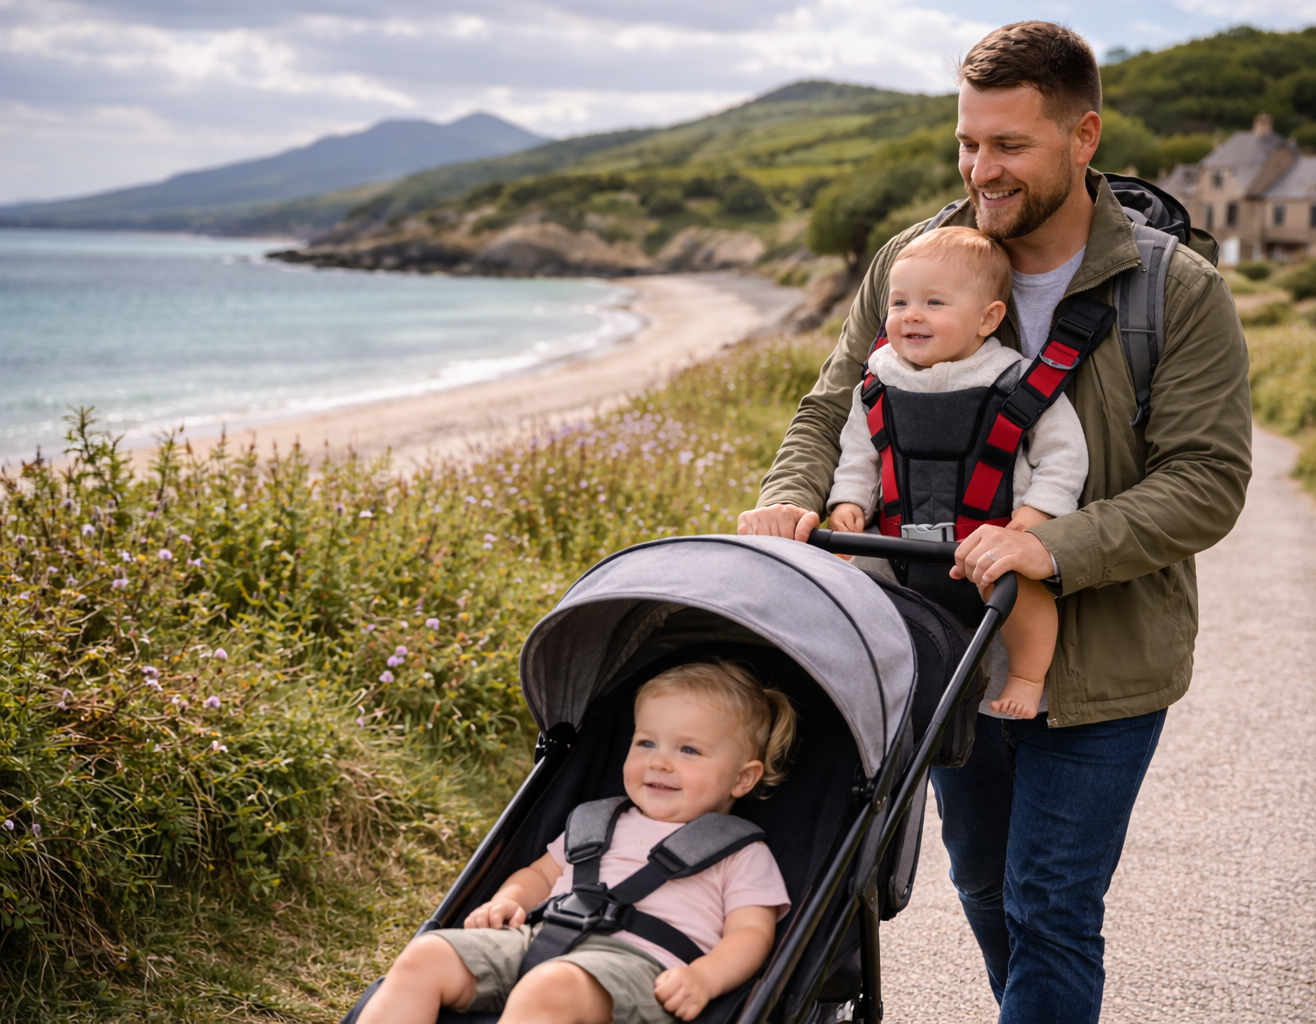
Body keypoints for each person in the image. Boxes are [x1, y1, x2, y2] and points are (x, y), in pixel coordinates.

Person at [738, 20, 1251, 1024]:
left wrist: (1047, 544)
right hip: (946, 649)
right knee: (984, 893)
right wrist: (796, 491)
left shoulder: (1175, 293)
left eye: (1009, 145)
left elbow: (1207, 482)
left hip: (1108, 664)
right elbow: (833, 405)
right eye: (969, 143)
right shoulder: (916, 260)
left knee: (1050, 905)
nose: (983, 169)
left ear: (1083, 136)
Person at [358, 661, 794, 1024]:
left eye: (689, 751)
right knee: (427, 954)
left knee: (551, 986)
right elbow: (539, 875)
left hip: (636, 971)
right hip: (543, 939)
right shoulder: (596, 821)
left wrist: (705, 978)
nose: (659, 762)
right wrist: (509, 899)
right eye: (646, 742)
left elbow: (750, 935)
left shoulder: (741, 853)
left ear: (743, 778)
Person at [826, 225, 1088, 719]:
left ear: (988, 318)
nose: (912, 316)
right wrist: (849, 503)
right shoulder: (879, 378)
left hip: (988, 541)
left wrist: (1038, 513)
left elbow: (1064, 454)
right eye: (899, 303)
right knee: (851, 583)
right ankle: (865, 679)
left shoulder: (1016, 381)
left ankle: (1028, 677)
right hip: (896, 543)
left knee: (1020, 591)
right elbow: (860, 451)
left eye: (934, 303)